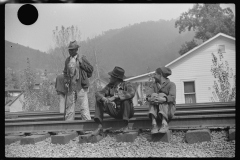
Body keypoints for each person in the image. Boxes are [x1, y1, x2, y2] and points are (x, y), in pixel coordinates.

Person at [55, 40, 93, 121]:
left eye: (72, 50)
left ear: (76, 50)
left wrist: (81, 63)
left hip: (81, 87)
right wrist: (66, 81)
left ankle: (87, 125)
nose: (70, 51)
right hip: (71, 87)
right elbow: (65, 73)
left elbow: (90, 69)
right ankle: (69, 126)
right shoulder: (67, 60)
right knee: (69, 109)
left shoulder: (82, 58)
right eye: (69, 49)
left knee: (84, 108)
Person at [92, 66, 136, 135]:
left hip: (127, 112)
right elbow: (98, 93)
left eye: (111, 76)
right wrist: (105, 99)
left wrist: (115, 97)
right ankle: (99, 127)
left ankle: (125, 126)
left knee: (126, 100)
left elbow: (132, 93)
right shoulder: (110, 86)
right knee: (99, 100)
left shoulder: (127, 84)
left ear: (116, 78)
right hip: (115, 111)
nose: (109, 77)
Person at [147, 66, 176, 134]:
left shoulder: (171, 84)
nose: (154, 76)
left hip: (169, 110)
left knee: (162, 95)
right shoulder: (153, 85)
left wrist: (163, 99)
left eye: (155, 74)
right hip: (156, 111)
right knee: (153, 95)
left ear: (161, 75)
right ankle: (154, 124)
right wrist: (151, 98)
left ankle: (164, 124)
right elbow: (147, 96)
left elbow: (173, 97)